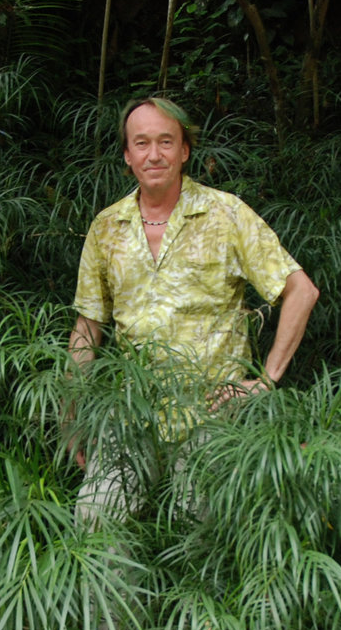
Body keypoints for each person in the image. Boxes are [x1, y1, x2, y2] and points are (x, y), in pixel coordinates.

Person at [69, 95, 320, 522]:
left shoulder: (226, 215)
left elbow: (302, 291)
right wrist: (73, 417)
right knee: (95, 519)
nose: (154, 154)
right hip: (133, 413)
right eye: (142, 143)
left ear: (184, 151)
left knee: (199, 529)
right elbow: (88, 327)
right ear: (127, 155)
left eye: (166, 142)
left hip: (212, 415)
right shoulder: (107, 227)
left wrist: (265, 381)